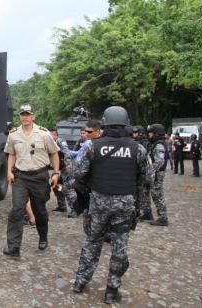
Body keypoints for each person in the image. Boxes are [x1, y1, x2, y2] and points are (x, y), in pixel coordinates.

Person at [72, 106, 149, 304]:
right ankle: (112, 290)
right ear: (126, 123)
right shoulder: (137, 148)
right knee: (119, 246)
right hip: (125, 203)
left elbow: (78, 173)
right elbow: (148, 176)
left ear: (105, 123)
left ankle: (80, 281)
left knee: (92, 241)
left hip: (99, 201)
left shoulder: (92, 146)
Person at [2, 103, 60, 255]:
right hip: (21, 177)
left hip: (40, 177)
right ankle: (13, 247)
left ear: (33, 116)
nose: (25, 117)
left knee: (39, 210)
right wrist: (9, 171)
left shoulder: (44, 134)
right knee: (17, 209)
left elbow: (54, 153)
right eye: (23, 114)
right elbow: (12, 154)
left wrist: (55, 173)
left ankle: (43, 236)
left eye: (28, 114)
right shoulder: (14, 134)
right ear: (19, 116)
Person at [49, 128, 77, 217]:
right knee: (56, 185)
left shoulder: (60, 141)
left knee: (68, 188)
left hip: (66, 168)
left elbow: (67, 153)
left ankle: (75, 209)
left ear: (55, 135)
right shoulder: (50, 143)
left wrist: (68, 164)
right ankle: (62, 206)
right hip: (59, 169)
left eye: (50, 136)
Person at [147, 124, 169, 226]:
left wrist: (151, 171)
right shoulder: (156, 143)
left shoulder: (159, 145)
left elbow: (160, 161)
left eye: (151, 133)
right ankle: (162, 217)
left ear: (155, 134)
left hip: (157, 174)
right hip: (156, 173)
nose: (149, 135)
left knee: (158, 196)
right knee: (156, 195)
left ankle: (163, 218)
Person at [133, 125, 153, 221]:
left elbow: (144, 159)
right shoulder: (140, 142)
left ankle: (144, 212)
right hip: (143, 171)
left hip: (144, 172)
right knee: (143, 193)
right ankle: (146, 212)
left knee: (142, 193)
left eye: (135, 132)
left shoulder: (143, 143)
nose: (133, 134)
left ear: (140, 133)